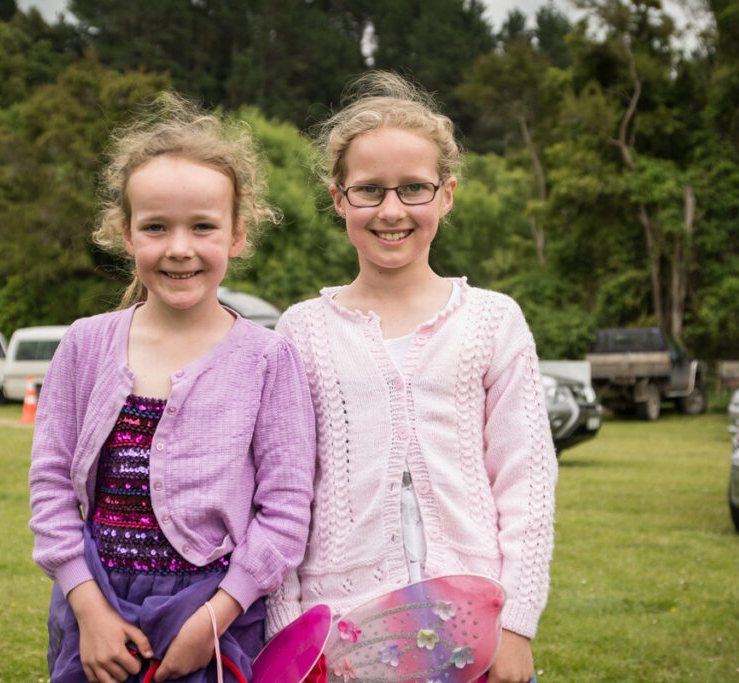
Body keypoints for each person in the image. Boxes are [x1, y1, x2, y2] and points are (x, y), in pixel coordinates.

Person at [265, 72, 558, 683]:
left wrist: (518, 623)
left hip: (476, 627)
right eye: (369, 190)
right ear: (339, 197)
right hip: (342, 636)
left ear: (446, 194)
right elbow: (281, 490)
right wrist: (288, 628)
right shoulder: (302, 331)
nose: (391, 210)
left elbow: (526, 480)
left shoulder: (492, 321)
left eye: (414, 189)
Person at [29, 93, 316, 683]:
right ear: (126, 234)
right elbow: (51, 485)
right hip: (96, 599)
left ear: (237, 235)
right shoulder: (85, 345)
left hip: (212, 609)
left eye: (202, 226)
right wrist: (87, 606)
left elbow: (286, 511)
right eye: (156, 227)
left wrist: (216, 615)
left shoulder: (268, 359)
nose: (179, 248)